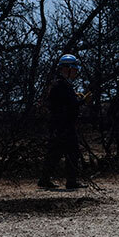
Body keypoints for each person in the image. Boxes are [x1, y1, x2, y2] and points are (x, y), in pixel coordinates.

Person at [39, 54, 91, 189]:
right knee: (72, 152)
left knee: (55, 152)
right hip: (64, 124)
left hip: (59, 124)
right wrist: (82, 101)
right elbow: (69, 105)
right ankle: (71, 181)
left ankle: (44, 179)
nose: (76, 73)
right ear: (67, 69)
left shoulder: (60, 84)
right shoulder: (61, 85)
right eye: (74, 69)